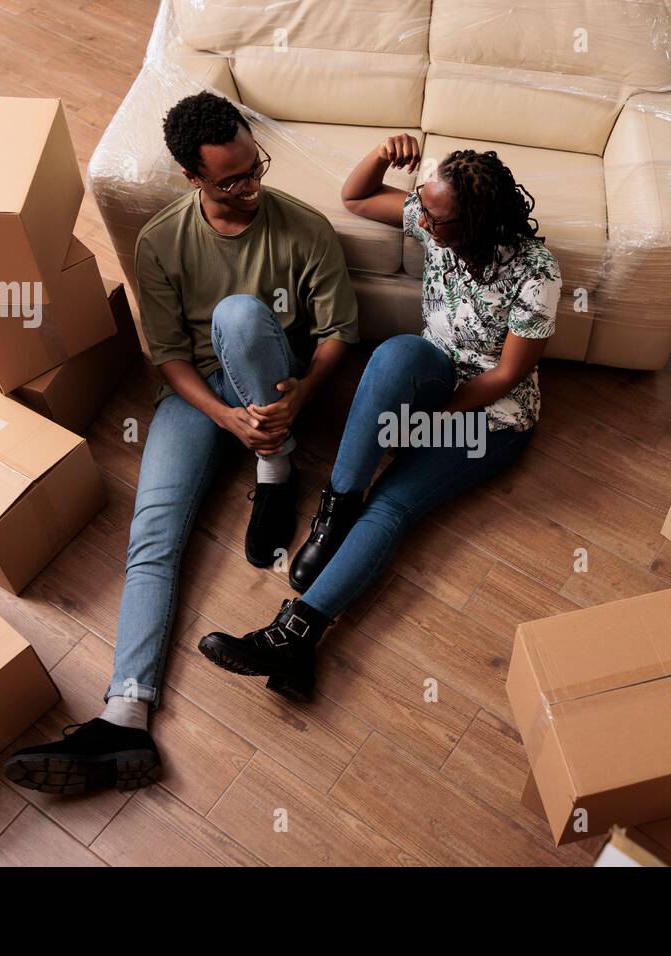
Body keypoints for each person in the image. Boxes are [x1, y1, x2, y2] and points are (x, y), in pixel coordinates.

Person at [4, 92, 359, 795]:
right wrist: (224, 419)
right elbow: (166, 354)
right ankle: (124, 716)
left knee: (239, 315)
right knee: (152, 534)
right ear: (192, 178)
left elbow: (337, 333)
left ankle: (276, 471)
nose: (251, 187)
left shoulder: (303, 228)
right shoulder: (161, 242)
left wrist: (299, 397)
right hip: (199, 395)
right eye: (231, 180)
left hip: (270, 381)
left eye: (254, 169)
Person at [198, 137, 560, 702]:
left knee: (391, 501)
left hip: (489, 418)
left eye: (433, 215)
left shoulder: (536, 272)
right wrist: (380, 155)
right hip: (435, 376)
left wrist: (428, 425)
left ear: (471, 224)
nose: (419, 215)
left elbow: (506, 375)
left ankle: (294, 636)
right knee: (396, 353)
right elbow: (357, 197)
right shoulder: (437, 221)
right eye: (422, 204)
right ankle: (335, 516)